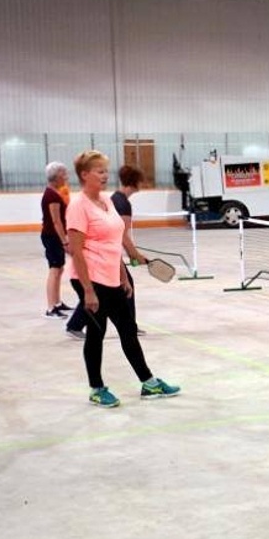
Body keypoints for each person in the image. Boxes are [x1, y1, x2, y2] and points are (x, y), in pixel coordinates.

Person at [67, 150, 179, 408]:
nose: (105, 176)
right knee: (97, 333)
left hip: (111, 275)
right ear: (85, 175)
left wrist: (123, 274)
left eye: (106, 171)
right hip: (90, 279)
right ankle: (96, 388)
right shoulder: (78, 206)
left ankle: (148, 383)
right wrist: (88, 291)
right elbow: (77, 251)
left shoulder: (106, 201)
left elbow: (113, 240)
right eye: (99, 171)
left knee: (128, 329)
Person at [113, 164, 150, 336]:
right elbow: (121, 234)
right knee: (126, 285)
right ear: (135, 182)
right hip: (110, 254)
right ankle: (130, 328)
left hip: (108, 252)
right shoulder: (124, 204)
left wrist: (131, 254)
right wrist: (135, 255)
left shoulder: (114, 198)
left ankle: (74, 324)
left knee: (107, 290)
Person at [40, 162, 74, 321]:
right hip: (52, 236)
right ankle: (50, 307)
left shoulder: (55, 193)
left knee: (59, 269)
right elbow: (56, 221)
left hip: (54, 236)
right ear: (56, 176)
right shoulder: (51, 196)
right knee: (55, 270)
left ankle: (57, 302)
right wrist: (65, 241)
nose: (66, 177)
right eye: (64, 174)